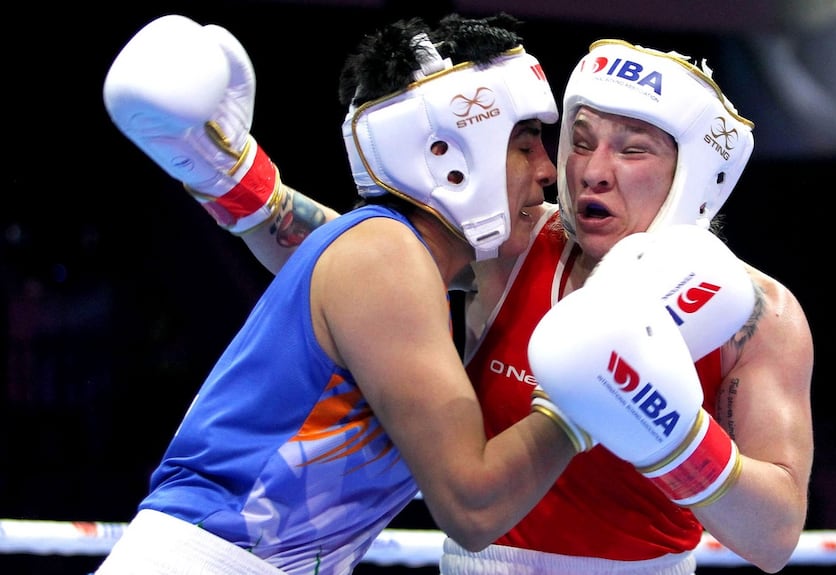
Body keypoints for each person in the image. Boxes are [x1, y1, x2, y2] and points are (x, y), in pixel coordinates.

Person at [134, 20, 815, 575]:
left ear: (694, 173)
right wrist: (239, 184)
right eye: (578, 141)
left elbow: (776, 534)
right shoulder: (516, 246)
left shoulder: (755, 316)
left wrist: (669, 430)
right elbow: (365, 282)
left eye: (632, 150)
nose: (589, 172)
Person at [95, 13, 588, 574]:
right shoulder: (385, 258)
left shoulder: (385, 256)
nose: (549, 171)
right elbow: (472, 507)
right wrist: (588, 396)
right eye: (524, 146)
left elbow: (309, 244)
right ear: (449, 154)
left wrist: (235, 181)